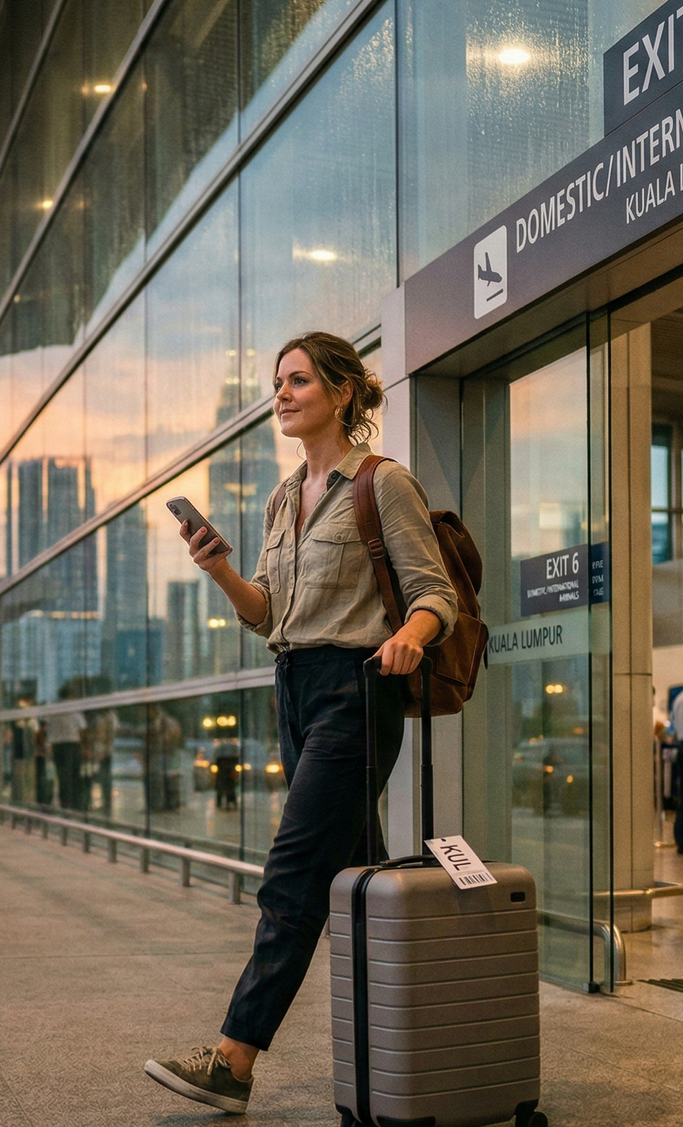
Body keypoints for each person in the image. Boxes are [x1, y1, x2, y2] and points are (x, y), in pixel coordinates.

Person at [143, 331, 457, 1114]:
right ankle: (420, 1041)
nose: (279, 394)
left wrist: (408, 640)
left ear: (342, 393)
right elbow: (268, 613)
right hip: (293, 687)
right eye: (276, 383)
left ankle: (233, 1061)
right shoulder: (286, 497)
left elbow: (435, 595)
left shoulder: (381, 484)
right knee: (357, 880)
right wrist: (217, 567)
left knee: (293, 870)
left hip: (358, 687)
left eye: (296, 381)